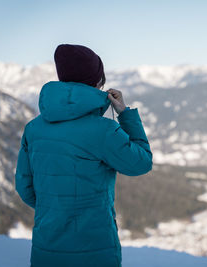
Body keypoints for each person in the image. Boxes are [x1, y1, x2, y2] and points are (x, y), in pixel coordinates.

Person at [14, 44, 153, 267]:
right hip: (95, 250)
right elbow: (142, 163)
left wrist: (56, 210)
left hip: (46, 250)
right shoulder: (103, 130)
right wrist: (125, 115)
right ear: (97, 82)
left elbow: (25, 188)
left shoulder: (33, 129)